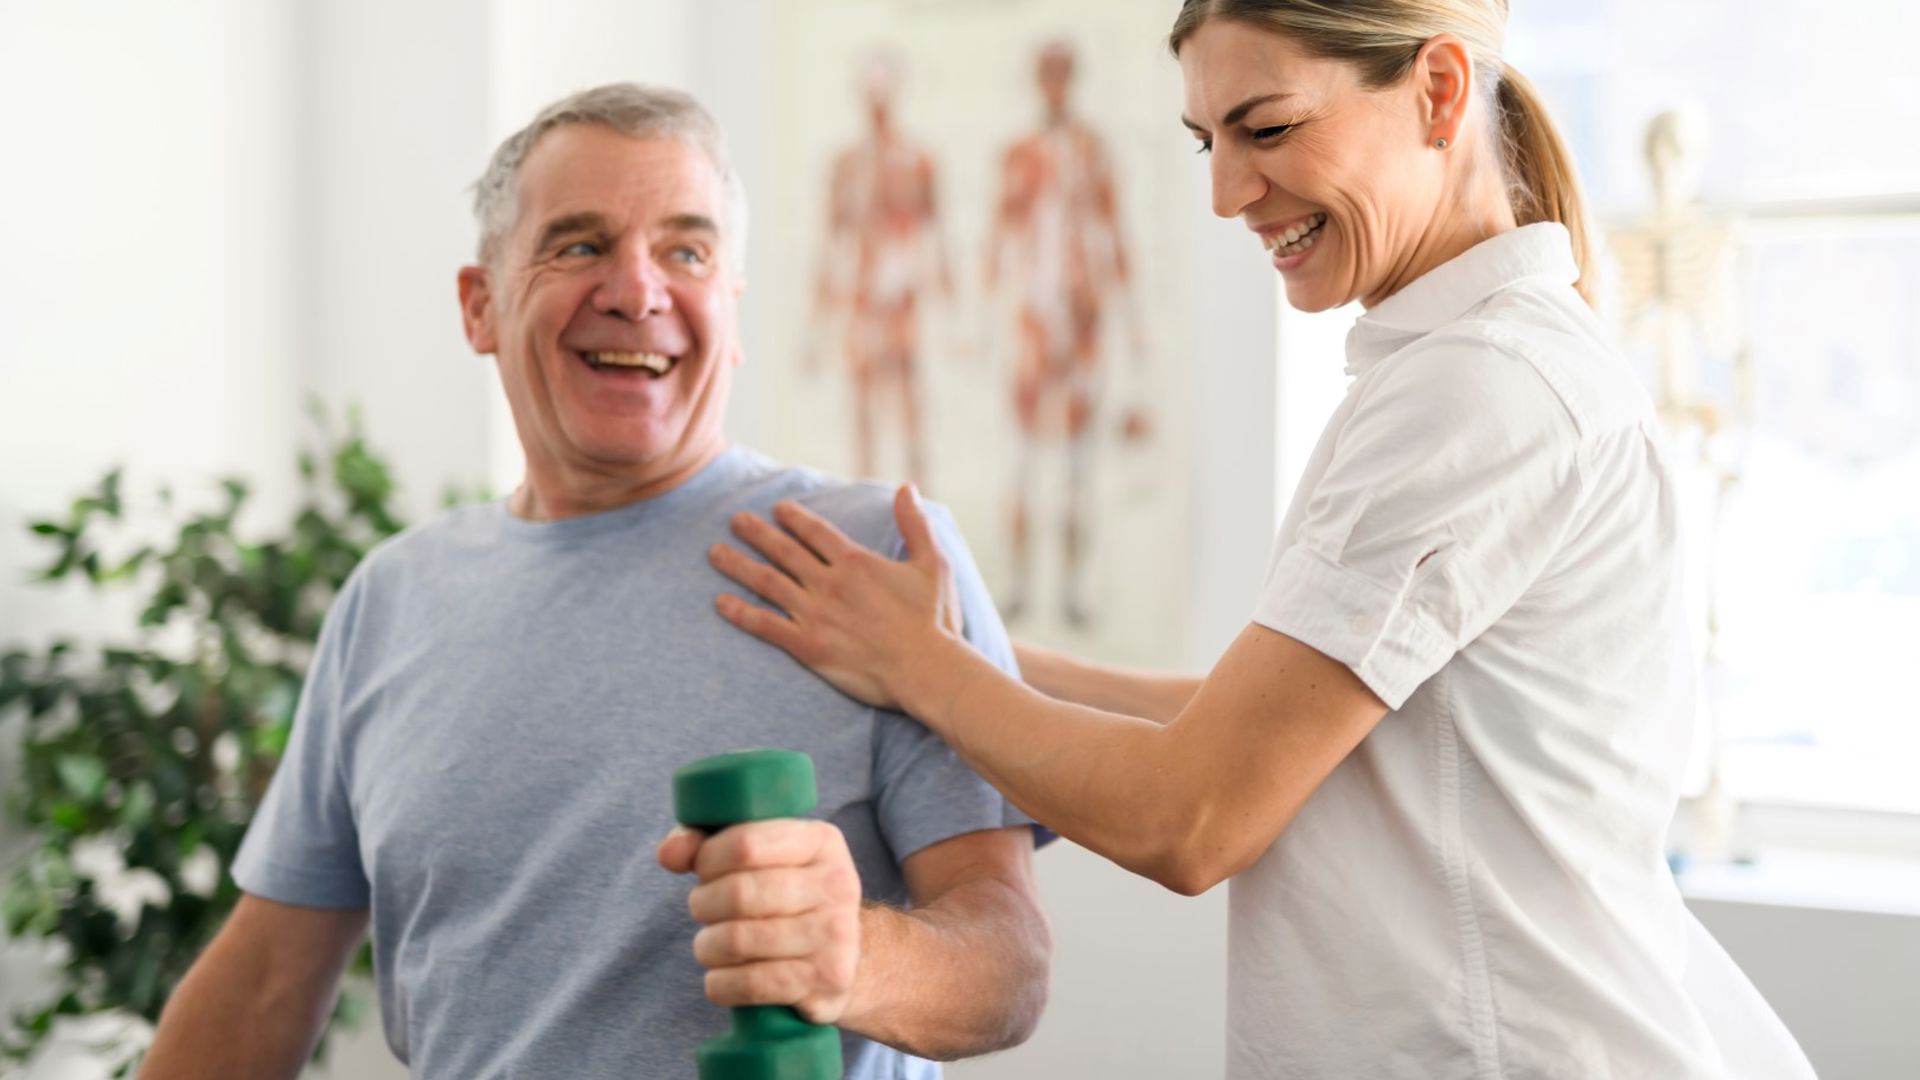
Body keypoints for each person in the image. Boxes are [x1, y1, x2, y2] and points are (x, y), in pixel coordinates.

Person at [707, 2, 1815, 1077]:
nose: (1229, 192)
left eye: (1267, 128)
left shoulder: (1482, 390)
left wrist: (926, 667)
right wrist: (976, 651)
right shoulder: (1454, 365)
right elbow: (1278, 735)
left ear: (1439, 89)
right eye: (1206, 140)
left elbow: (1190, 814)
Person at [141, 83, 1049, 1080]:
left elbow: (1006, 967)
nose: (638, 291)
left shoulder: (878, 556)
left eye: (686, 251)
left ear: (731, 311)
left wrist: (857, 957)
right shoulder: (391, 598)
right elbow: (268, 979)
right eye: (579, 245)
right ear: (479, 305)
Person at [983, 39, 1147, 626]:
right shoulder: (1020, 155)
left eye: (1062, 74)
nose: (1054, 84)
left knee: (1080, 459)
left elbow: (1115, 234)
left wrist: (1132, 325)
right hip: (1033, 319)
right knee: (1025, 457)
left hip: (1082, 320)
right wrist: (985, 319)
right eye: (1045, 74)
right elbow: (999, 236)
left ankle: (1075, 589)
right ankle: (1020, 585)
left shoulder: (1091, 151)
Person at [810, 49, 953, 489]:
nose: (877, 100)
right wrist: (817, 322)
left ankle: (921, 505)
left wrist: (951, 315)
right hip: (861, 296)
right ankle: (867, 505)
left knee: (910, 406)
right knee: (863, 409)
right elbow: (831, 243)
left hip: (901, 297)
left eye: (884, 89)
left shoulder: (917, 161)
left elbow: (935, 238)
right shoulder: (847, 164)